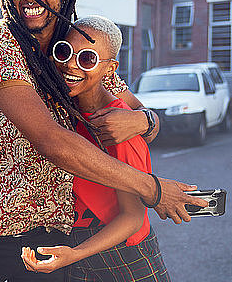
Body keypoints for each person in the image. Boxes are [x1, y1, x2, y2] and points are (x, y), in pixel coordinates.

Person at [0, 0, 206, 282]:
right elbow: (51, 140)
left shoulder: (73, 48)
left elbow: (137, 109)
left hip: (52, 242)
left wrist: (142, 120)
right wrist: (152, 189)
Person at [21, 16, 170, 281]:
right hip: (78, 246)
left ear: (110, 68)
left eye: (87, 59)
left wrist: (75, 253)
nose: (70, 64)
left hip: (125, 254)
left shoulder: (119, 126)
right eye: (64, 51)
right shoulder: (64, 111)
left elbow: (133, 217)